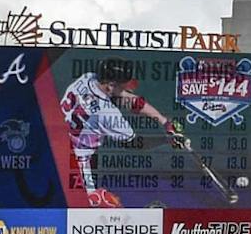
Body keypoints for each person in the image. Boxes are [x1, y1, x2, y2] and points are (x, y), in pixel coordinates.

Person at [59, 57, 187, 204]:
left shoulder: (87, 78)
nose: (127, 88)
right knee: (96, 208)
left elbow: (128, 99)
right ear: (110, 85)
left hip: (56, 146)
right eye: (123, 85)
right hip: (75, 162)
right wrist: (167, 140)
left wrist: (164, 121)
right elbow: (135, 143)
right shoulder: (107, 114)